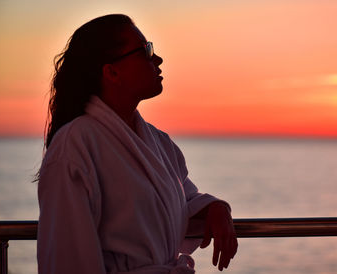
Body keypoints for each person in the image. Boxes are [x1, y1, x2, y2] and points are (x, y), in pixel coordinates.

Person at [37, 14, 238, 274]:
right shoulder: (75, 146)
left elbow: (180, 203)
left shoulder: (158, 142)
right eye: (145, 50)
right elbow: (67, 260)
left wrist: (216, 208)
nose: (157, 59)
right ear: (112, 72)